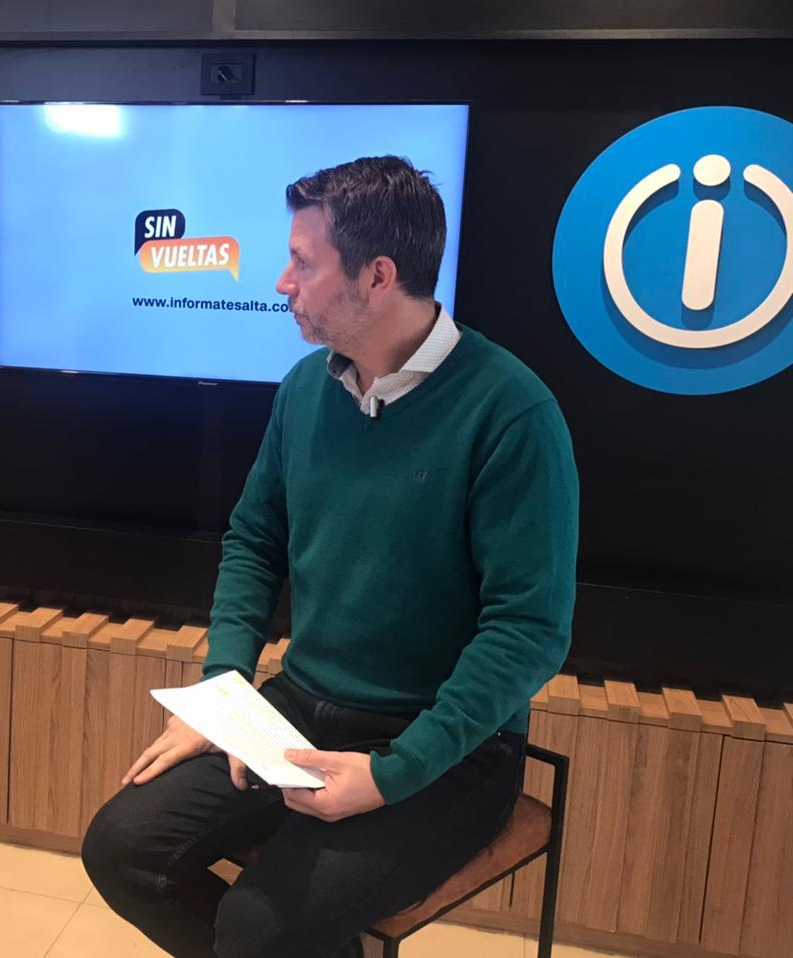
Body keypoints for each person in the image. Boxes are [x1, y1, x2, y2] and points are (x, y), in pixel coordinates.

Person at [82, 156, 580, 958]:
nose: (283, 283)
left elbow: (529, 631)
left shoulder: (511, 412)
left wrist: (392, 773)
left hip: (446, 747)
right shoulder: (304, 388)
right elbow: (254, 540)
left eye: (303, 263)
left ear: (377, 276)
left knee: (258, 928)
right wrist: (223, 693)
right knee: (121, 851)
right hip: (300, 708)